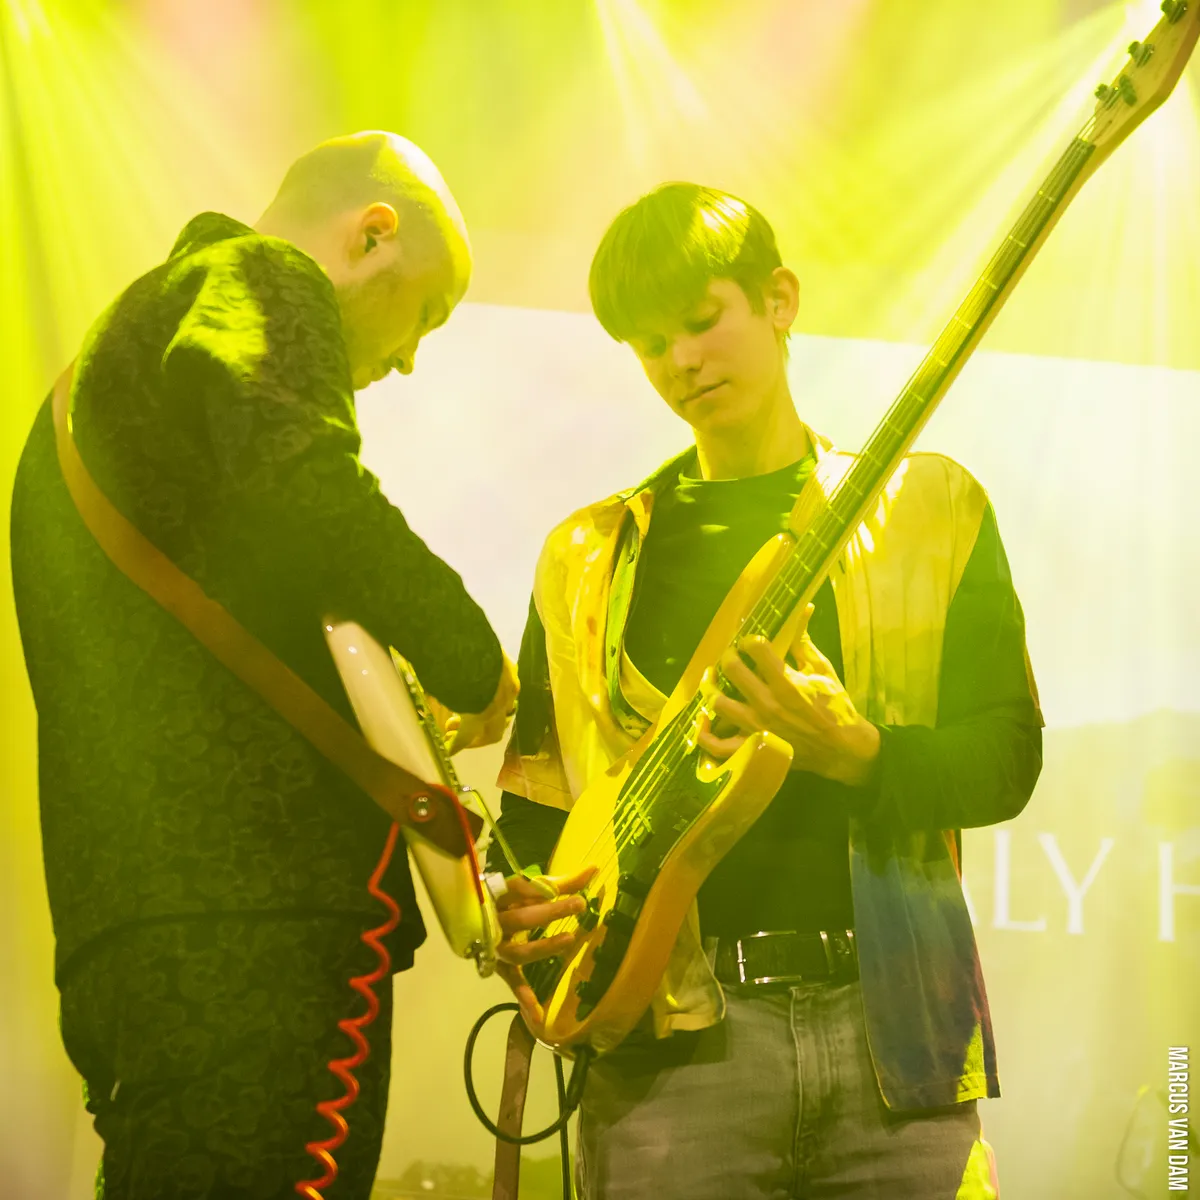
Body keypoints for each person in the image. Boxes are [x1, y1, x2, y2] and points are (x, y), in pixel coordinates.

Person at [11, 131, 583, 1200]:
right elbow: (312, 486)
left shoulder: (96, 395)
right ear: (373, 235)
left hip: (139, 927)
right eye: (425, 313)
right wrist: (471, 658)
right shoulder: (258, 275)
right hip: (257, 931)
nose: (408, 360)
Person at [492, 183, 1043, 1198]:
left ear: (779, 299)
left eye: (702, 320)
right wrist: (523, 894)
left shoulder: (931, 505)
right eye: (651, 345)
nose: (681, 361)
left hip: (896, 1042)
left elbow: (1008, 759)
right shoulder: (587, 554)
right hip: (670, 1062)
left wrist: (861, 755)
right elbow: (534, 801)